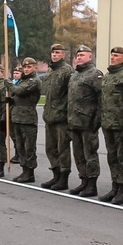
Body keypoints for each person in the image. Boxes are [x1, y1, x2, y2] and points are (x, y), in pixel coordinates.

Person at [98, 46, 123, 204]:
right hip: (108, 123)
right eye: (111, 55)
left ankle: (122, 191)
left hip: (121, 124)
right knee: (112, 157)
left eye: (116, 55)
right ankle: (114, 187)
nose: (112, 57)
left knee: (122, 158)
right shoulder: (107, 76)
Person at [67, 45, 104, 198]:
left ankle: (92, 184)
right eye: (78, 55)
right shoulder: (75, 75)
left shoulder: (95, 74)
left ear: (90, 57)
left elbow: (101, 98)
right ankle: (84, 180)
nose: (79, 57)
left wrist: (96, 119)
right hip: (74, 121)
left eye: (82, 55)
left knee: (90, 154)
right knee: (78, 154)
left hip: (88, 121)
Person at [41, 43, 73, 190]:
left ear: (63, 55)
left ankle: (63, 178)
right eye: (53, 52)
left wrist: (66, 113)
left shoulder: (67, 71)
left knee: (63, 149)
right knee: (50, 148)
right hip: (49, 116)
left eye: (57, 52)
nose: (54, 55)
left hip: (61, 117)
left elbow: (70, 95)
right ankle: (56, 175)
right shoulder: (49, 72)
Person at [9, 57, 42, 183]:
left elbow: (20, 91)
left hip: (28, 118)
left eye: (29, 67)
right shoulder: (24, 80)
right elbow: (18, 96)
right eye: (25, 67)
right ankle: (24, 170)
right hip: (17, 117)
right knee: (20, 145)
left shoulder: (34, 81)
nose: (26, 69)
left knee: (29, 147)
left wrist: (9, 84)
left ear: (35, 67)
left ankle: (30, 172)